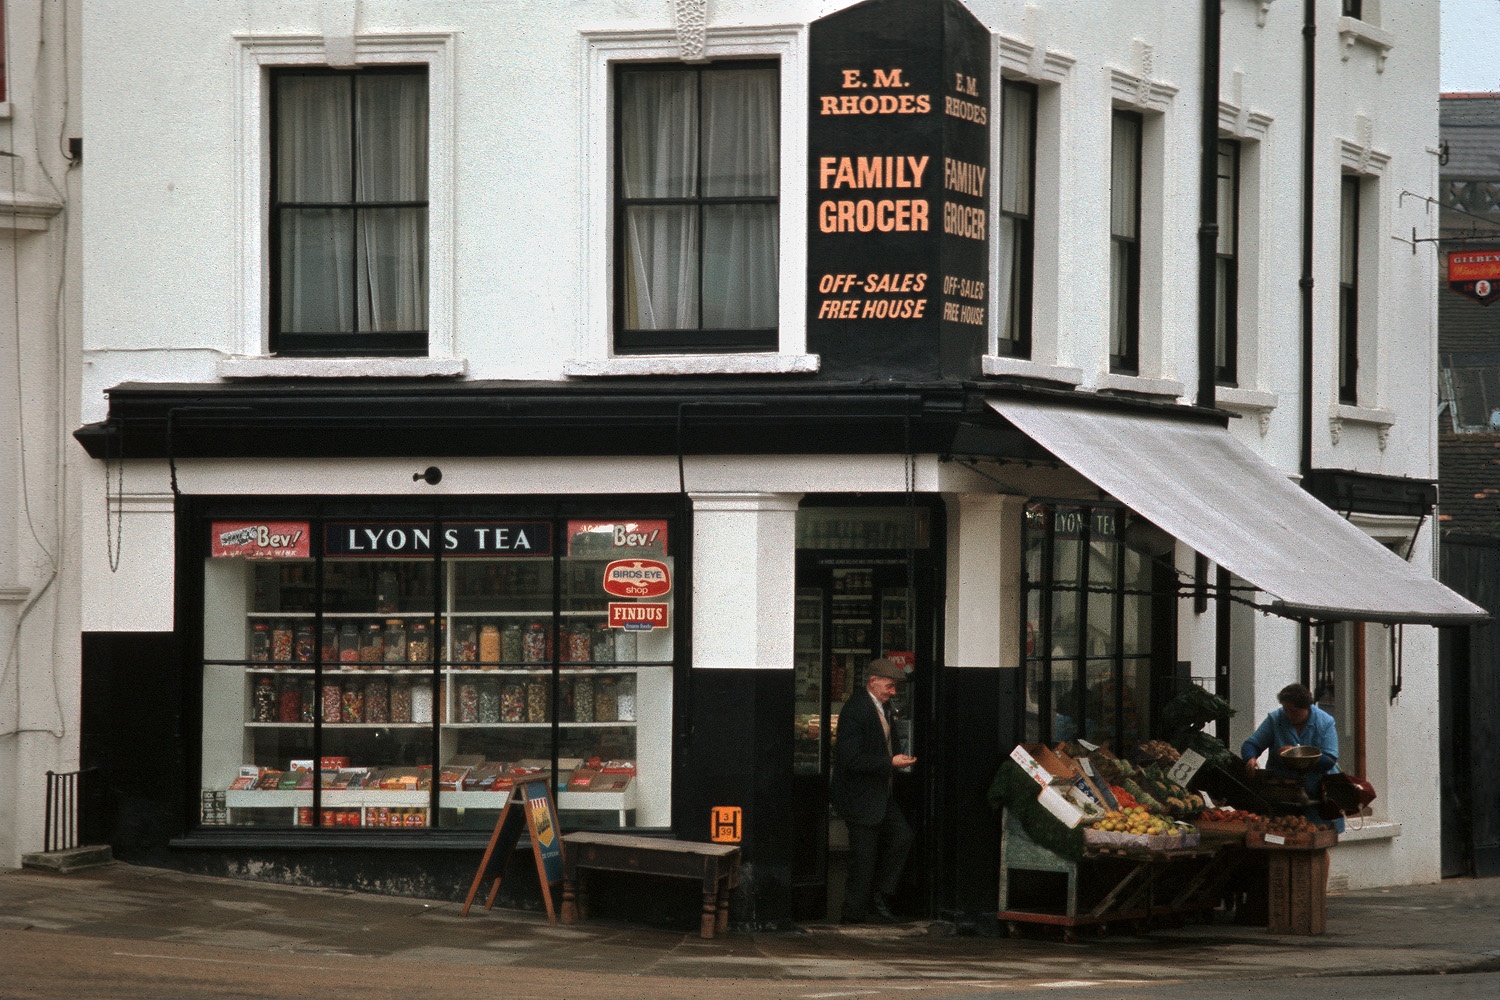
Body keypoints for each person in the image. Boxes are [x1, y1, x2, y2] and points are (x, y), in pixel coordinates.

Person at [831, 657, 918, 924]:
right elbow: (850, 759)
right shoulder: (856, 710)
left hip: (881, 795)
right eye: (889, 686)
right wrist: (889, 762)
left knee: (902, 837)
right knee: (863, 861)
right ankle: (853, 915)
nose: (893, 692)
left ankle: (880, 895)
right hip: (860, 798)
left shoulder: (884, 707)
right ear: (873, 682)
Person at [1241, 682, 1344, 832]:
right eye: (1286, 710)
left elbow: (1329, 759)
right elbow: (1252, 744)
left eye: (1294, 711)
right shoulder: (1276, 719)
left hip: (1318, 796)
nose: (1289, 715)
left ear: (1306, 707)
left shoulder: (1325, 722)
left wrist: (1296, 753)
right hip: (1284, 794)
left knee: (1318, 838)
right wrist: (1250, 757)